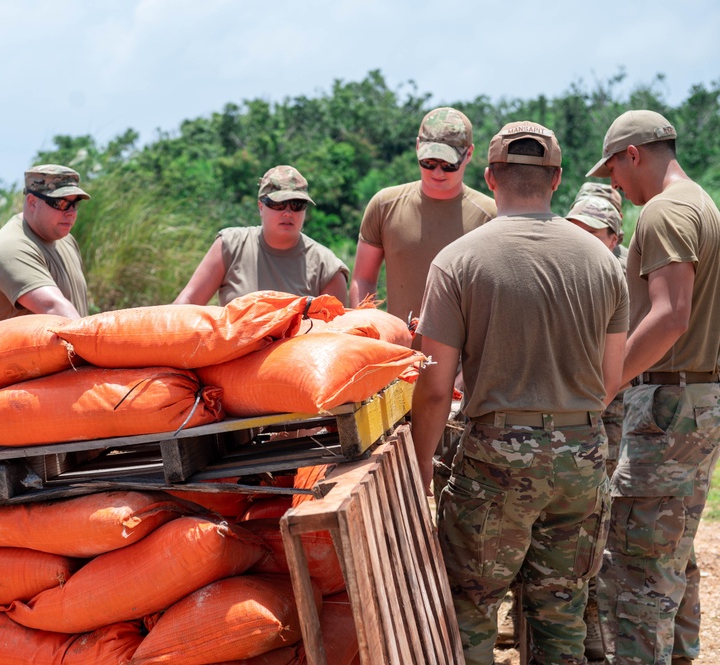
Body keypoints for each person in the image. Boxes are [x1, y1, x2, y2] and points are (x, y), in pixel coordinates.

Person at [411, 121, 629, 665]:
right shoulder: (603, 262)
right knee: (561, 611)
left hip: (495, 460)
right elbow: (612, 375)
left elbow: (435, 388)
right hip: (581, 456)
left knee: (473, 608)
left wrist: (419, 473)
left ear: (489, 177)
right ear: (556, 179)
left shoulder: (458, 261)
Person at [588, 110, 720, 665]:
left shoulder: (665, 212)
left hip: (667, 402)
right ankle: (683, 653)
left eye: (614, 169)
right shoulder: (702, 204)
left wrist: (604, 387)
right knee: (671, 551)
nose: (615, 182)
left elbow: (670, 316)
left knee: (639, 566)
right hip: (694, 397)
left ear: (633, 154)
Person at [349, 106, 497, 329]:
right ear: (417, 147)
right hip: (398, 353)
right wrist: (370, 331)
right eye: (428, 162)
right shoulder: (384, 205)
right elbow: (363, 279)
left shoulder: (491, 216)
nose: (437, 173)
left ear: (469, 154)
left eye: (448, 165)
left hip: (464, 359)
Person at [565, 188, 629, 661]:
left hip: (610, 415)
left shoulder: (623, 277)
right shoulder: (565, 270)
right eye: (577, 230)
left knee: (598, 530)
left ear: (614, 237)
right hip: (574, 418)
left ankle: (594, 637)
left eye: (593, 232)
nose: (582, 239)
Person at [173, 165, 349, 306]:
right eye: (278, 204)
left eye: (297, 204)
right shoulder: (229, 245)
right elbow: (187, 302)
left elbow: (336, 336)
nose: (288, 213)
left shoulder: (327, 267)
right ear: (260, 206)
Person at [0, 165, 90, 323]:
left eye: (75, 204)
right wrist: (95, 344)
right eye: (61, 203)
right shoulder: (11, 248)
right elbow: (52, 307)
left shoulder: (67, 240)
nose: (71, 212)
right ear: (32, 202)